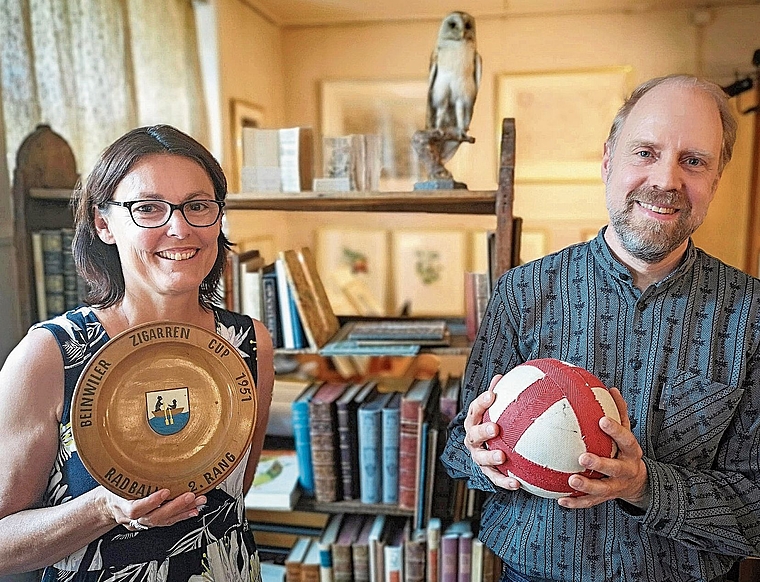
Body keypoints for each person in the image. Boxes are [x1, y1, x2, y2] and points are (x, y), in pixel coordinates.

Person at [441, 74, 760, 581]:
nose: (666, 180)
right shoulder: (522, 291)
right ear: (608, 159)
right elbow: (457, 451)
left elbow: (755, 509)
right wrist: (479, 452)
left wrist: (644, 485)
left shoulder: (753, 317)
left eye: (693, 161)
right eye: (646, 152)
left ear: (716, 179)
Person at [0, 125, 274, 580]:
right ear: (103, 224)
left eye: (198, 206)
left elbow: (233, 496)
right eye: (148, 208)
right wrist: (104, 508)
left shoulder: (248, 343)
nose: (180, 227)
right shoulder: (49, 354)